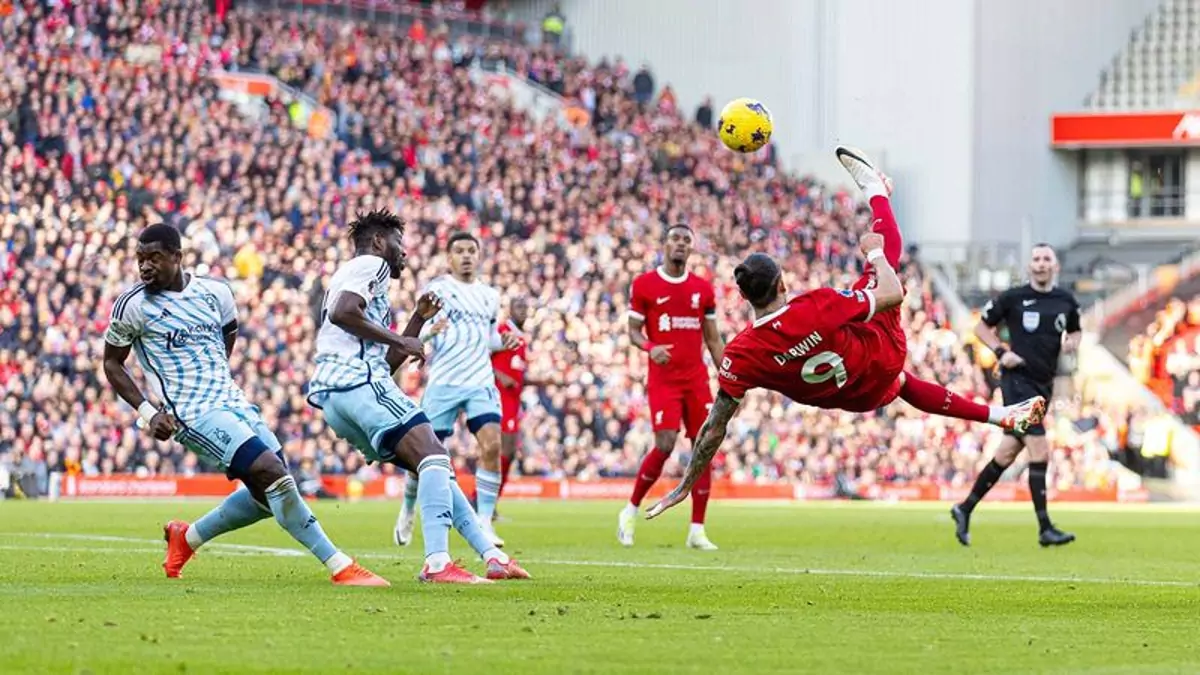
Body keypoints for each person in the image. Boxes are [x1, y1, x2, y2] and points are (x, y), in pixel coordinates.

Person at [645, 147, 1047, 520]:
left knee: (903, 381)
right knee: (883, 266)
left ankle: (1000, 416)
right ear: (782, 285)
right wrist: (871, 251)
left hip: (858, 397)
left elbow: (715, 427)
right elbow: (891, 295)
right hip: (880, 357)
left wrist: (687, 481)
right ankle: (877, 192)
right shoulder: (815, 306)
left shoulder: (739, 355)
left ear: (744, 296)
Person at [102, 224, 388, 586]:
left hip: (232, 400)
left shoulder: (215, 292)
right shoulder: (133, 305)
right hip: (192, 414)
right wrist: (148, 412)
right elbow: (112, 363)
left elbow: (228, 333)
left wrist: (216, 379)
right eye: (140, 259)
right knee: (272, 473)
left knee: (267, 492)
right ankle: (339, 565)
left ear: (177, 257)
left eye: (154, 258)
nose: (145, 267)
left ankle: (186, 538)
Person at [306, 211, 529, 582]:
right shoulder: (371, 265)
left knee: (434, 466)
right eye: (399, 244)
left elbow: (388, 356)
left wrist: (415, 322)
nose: (404, 253)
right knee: (436, 457)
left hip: (336, 397)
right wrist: (400, 338)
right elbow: (342, 312)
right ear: (380, 242)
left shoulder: (359, 279)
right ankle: (438, 562)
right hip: (356, 382)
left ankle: (491, 556)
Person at [392, 232, 521, 549]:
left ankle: (485, 522)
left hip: (479, 380)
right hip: (444, 382)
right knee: (421, 456)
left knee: (492, 446)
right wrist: (429, 332)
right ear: (449, 258)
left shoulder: (489, 295)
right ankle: (408, 508)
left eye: (471, 251)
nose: (466, 256)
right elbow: (418, 333)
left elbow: (487, 338)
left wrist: (501, 342)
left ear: (479, 256)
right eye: (459, 251)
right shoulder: (437, 291)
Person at [950, 244, 1082, 547]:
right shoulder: (1013, 298)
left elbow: (1075, 331)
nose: (1040, 264)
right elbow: (981, 327)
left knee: (1007, 453)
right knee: (1039, 448)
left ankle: (964, 508)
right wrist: (1000, 352)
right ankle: (1045, 528)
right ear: (1029, 266)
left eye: (1046, 259)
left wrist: (1073, 342)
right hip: (1016, 382)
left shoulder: (1065, 300)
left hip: (1043, 384)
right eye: (1036, 259)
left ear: (1055, 266)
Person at [617, 223, 725, 550]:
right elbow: (633, 332)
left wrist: (730, 376)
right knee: (665, 444)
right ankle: (630, 510)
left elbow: (712, 337)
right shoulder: (645, 285)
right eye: (675, 239)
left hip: (696, 380)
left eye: (686, 240)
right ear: (665, 244)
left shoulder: (702, 289)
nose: (680, 244)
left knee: (704, 447)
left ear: (691, 248)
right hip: (664, 380)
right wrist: (651, 348)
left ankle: (697, 530)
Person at [486, 294, 554, 514]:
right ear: (510, 309)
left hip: (514, 401)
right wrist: (499, 375)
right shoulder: (503, 331)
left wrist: (540, 381)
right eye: (519, 305)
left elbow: (517, 373)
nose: (523, 309)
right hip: (499, 399)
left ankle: (489, 503)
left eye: (525, 306)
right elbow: (480, 357)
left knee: (509, 453)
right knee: (501, 450)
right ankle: (483, 501)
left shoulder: (522, 338)